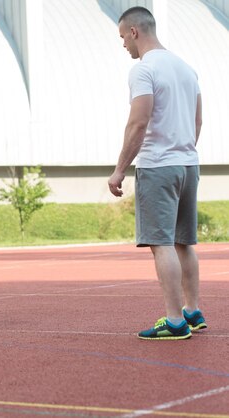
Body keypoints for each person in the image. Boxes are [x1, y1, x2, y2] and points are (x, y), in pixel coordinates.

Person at [108, 7, 204, 340]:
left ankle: (175, 320)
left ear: (135, 31)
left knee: (161, 243)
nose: (123, 46)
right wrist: (184, 150)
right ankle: (193, 311)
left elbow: (138, 121)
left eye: (123, 37)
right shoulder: (186, 68)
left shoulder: (144, 69)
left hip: (158, 166)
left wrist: (119, 170)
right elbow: (197, 122)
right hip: (188, 164)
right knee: (183, 242)